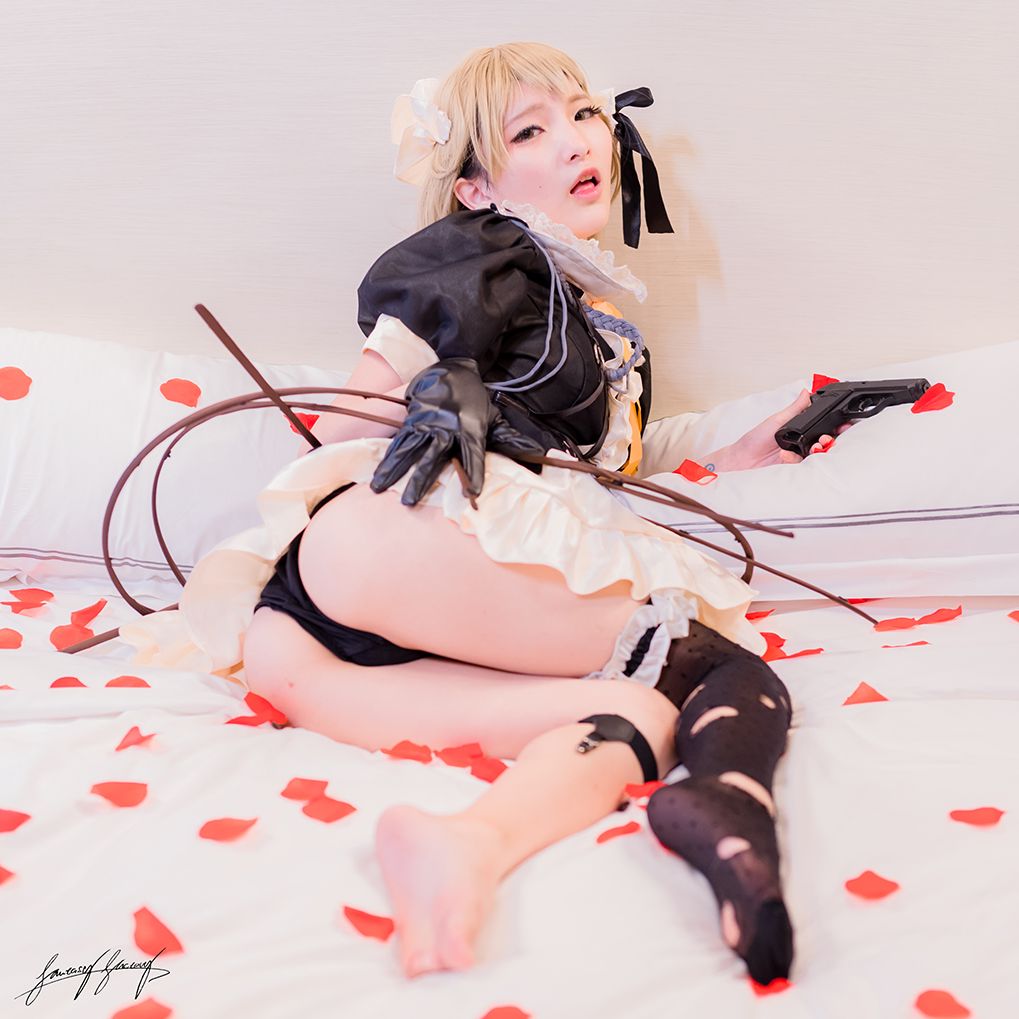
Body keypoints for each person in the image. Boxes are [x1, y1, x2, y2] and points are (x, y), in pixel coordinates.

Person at [122, 41, 840, 986]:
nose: (578, 140)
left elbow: (602, 474)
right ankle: (736, 808)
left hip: (313, 654)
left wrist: (743, 452)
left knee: (635, 711)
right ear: (473, 187)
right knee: (714, 664)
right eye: (530, 131)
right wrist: (430, 392)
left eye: (584, 115)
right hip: (375, 554)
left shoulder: (589, 316)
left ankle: (466, 845)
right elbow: (341, 428)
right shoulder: (480, 255)